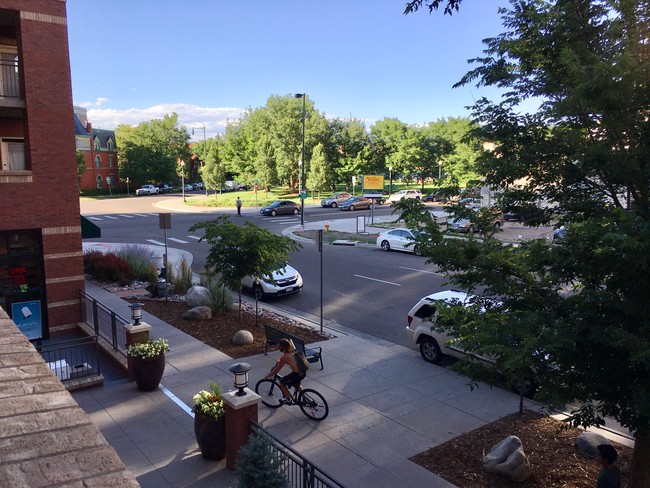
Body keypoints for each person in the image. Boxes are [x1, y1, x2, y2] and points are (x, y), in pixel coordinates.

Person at [264, 338, 306, 404]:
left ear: (282, 347)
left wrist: (268, 375)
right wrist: (280, 361)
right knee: (297, 383)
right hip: (302, 372)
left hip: (297, 374)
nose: (278, 347)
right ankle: (304, 397)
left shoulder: (285, 357)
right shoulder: (292, 352)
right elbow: (286, 359)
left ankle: (288, 399)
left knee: (282, 382)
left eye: (279, 346)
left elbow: (277, 369)